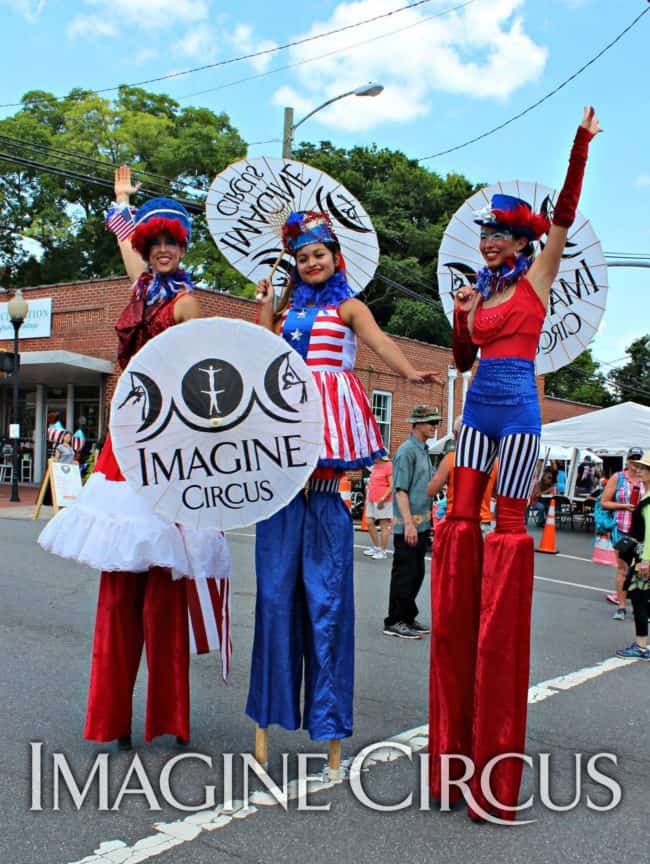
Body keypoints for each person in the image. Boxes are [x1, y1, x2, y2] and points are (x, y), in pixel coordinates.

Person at [429, 107, 601, 822]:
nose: (492, 243)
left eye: (501, 236)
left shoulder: (537, 277)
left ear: (521, 242)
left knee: (505, 530)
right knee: (459, 523)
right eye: (487, 236)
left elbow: (564, 213)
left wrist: (579, 147)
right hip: (476, 414)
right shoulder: (481, 291)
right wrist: (461, 315)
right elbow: (464, 362)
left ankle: (494, 694)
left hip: (521, 420)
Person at [39, 166, 232, 749]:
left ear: (183, 249)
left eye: (172, 243)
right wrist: (122, 200)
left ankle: (169, 718)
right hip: (126, 429)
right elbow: (126, 243)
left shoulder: (188, 303)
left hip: (167, 431)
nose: (163, 251)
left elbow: (199, 375)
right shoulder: (140, 288)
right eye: (157, 244)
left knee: (164, 590)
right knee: (120, 588)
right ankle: (111, 720)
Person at [250, 210, 440, 744]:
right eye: (303, 257)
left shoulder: (349, 305)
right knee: (276, 589)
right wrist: (265, 306)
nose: (311, 263)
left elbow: (378, 342)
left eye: (319, 255)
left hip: (329, 406)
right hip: (288, 402)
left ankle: (327, 718)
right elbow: (263, 347)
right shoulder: (288, 309)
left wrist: (408, 373)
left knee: (324, 573)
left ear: (335, 258)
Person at [383, 404, 439, 640]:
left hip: (421, 524)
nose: (434, 426)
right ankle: (394, 620)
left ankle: (407, 616)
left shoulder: (423, 450)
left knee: (416, 573)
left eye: (435, 422)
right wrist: (408, 524)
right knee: (404, 574)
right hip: (410, 524)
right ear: (415, 424)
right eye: (430, 422)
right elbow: (401, 490)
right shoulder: (407, 451)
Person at [601, 446, 645, 620]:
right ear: (627, 461)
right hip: (621, 529)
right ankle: (621, 606)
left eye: (637, 462)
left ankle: (640, 607)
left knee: (642, 570)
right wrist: (623, 506)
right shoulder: (618, 478)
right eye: (632, 461)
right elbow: (605, 502)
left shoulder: (646, 478)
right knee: (622, 569)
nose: (634, 466)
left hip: (642, 531)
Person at [615, 450, 650, 661]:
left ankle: (641, 646)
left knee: (639, 600)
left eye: (645, 468)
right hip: (643, 556)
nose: (640, 470)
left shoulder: (648, 501)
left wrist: (646, 560)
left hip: (643, 558)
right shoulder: (645, 496)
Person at [363, 455, 393, 560]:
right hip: (372, 498)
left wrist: (383, 498)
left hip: (383, 500)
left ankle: (383, 551)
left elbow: (392, 485)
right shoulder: (374, 466)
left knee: (384, 525)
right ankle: (376, 547)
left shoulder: (389, 465)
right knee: (369, 522)